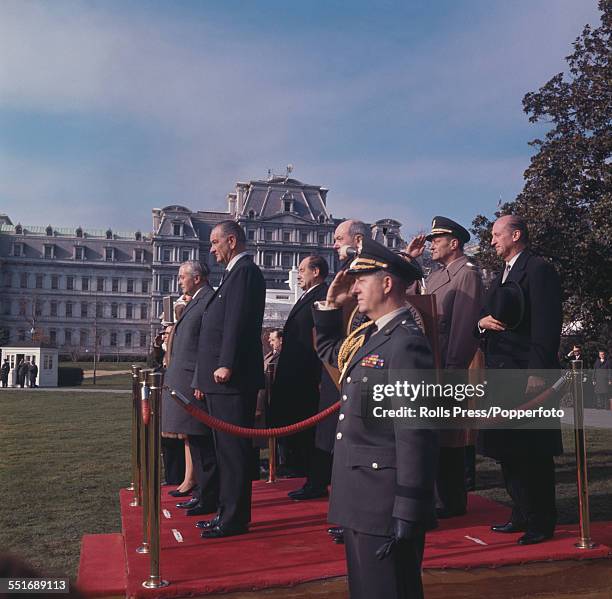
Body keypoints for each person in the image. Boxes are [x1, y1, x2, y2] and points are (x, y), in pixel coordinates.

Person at [313, 237, 438, 599]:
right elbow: (330, 353)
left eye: (361, 281)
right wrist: (328, 306)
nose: (354, 290)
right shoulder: (371, 336)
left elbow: (415, 434)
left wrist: (409, 508)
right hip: (361, 497)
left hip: (384, 500)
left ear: (386, 283)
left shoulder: (406, 343)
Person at [477, 215, 562, 545]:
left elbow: (546, 325)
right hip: (501, 373)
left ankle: (541, 521)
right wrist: (480, 323)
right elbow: (487, 318)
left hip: (527, 375)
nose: (492, 241)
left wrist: (537, 375)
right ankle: (521, 512)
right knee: (508, 451)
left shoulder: (538, 269)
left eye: (497, 234)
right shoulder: (502, 274)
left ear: (516, 234)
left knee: (532, 454)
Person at [405, 216, 484, 517]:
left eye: (437, 240)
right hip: (429, 366)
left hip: (446, 368)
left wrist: (452, 370)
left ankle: (451, 501)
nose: (431, 244)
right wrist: (410, 263)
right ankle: (439, 497)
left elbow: (465, 327)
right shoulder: (436, 275)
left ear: (454, 243)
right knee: (434, 438)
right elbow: (414, 305)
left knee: (449, 440)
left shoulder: (467, 274)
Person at [193, 220, 266, 538]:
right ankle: (225, 511)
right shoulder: (234, 274)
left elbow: (237, 322)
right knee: (224, 451)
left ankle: (234, 517)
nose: (211, 249)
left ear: (231, 241)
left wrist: (226, 364)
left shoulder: (245, 272)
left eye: (214, 242)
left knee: (234, 452)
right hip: (223, 381)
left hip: (232, 381)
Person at [270, 255, 336, 499]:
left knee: (308, 434)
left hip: (307, 378)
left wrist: (320, 376)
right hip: (296, 376)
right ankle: (305, 475)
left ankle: (313, 480)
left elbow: (321, 339)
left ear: (316, 271)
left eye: (302, 269)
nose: (298, 274)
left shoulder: (323, 296)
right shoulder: (309, 295)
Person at [162, 261, 219, 517]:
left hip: (193, 382)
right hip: (183, 380)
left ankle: (207, 496)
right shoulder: (196, 300)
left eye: (182, 277)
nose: (179, 281)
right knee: (194, 441)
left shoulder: (208, 300)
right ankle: (200, 493)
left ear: (196, 278)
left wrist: (200, 380)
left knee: (201, 442)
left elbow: (207, 347)